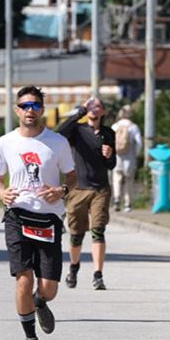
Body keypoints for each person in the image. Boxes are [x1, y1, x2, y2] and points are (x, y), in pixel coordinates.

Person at [0, 85, 76, 340]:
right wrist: (1, 192)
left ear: (42, 110)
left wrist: (61, 190)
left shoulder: (58, 142)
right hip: (17, 215)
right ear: (17, 110)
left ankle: (40, 303)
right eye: (25, 106)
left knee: (48, 289)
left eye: (35, 106)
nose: (30, 110)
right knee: (23, 280)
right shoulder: (5, 142)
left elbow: (72, 176)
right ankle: (30, 339)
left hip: (48, 218)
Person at [58, 96, 116, 290]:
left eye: (98, 105)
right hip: (78, 189)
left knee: (98, 230)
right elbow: (61, 131)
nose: (93, 108)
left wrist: (109, 156)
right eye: (90, 105)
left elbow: (112, 164)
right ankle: (73, 268)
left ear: (103, 111)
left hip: (100, 188)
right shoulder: (78, 130)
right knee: (76, 235)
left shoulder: (109, 133)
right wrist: (80, 111)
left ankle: (98, 275)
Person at [110, 105, 142, 212]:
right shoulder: (134, 127)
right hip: (130, 157)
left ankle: (116, 200)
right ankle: (128, 204)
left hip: (117, 156)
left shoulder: (114, 126)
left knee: (117, 178)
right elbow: (139, 143)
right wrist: (136, 154)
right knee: (129, 180)